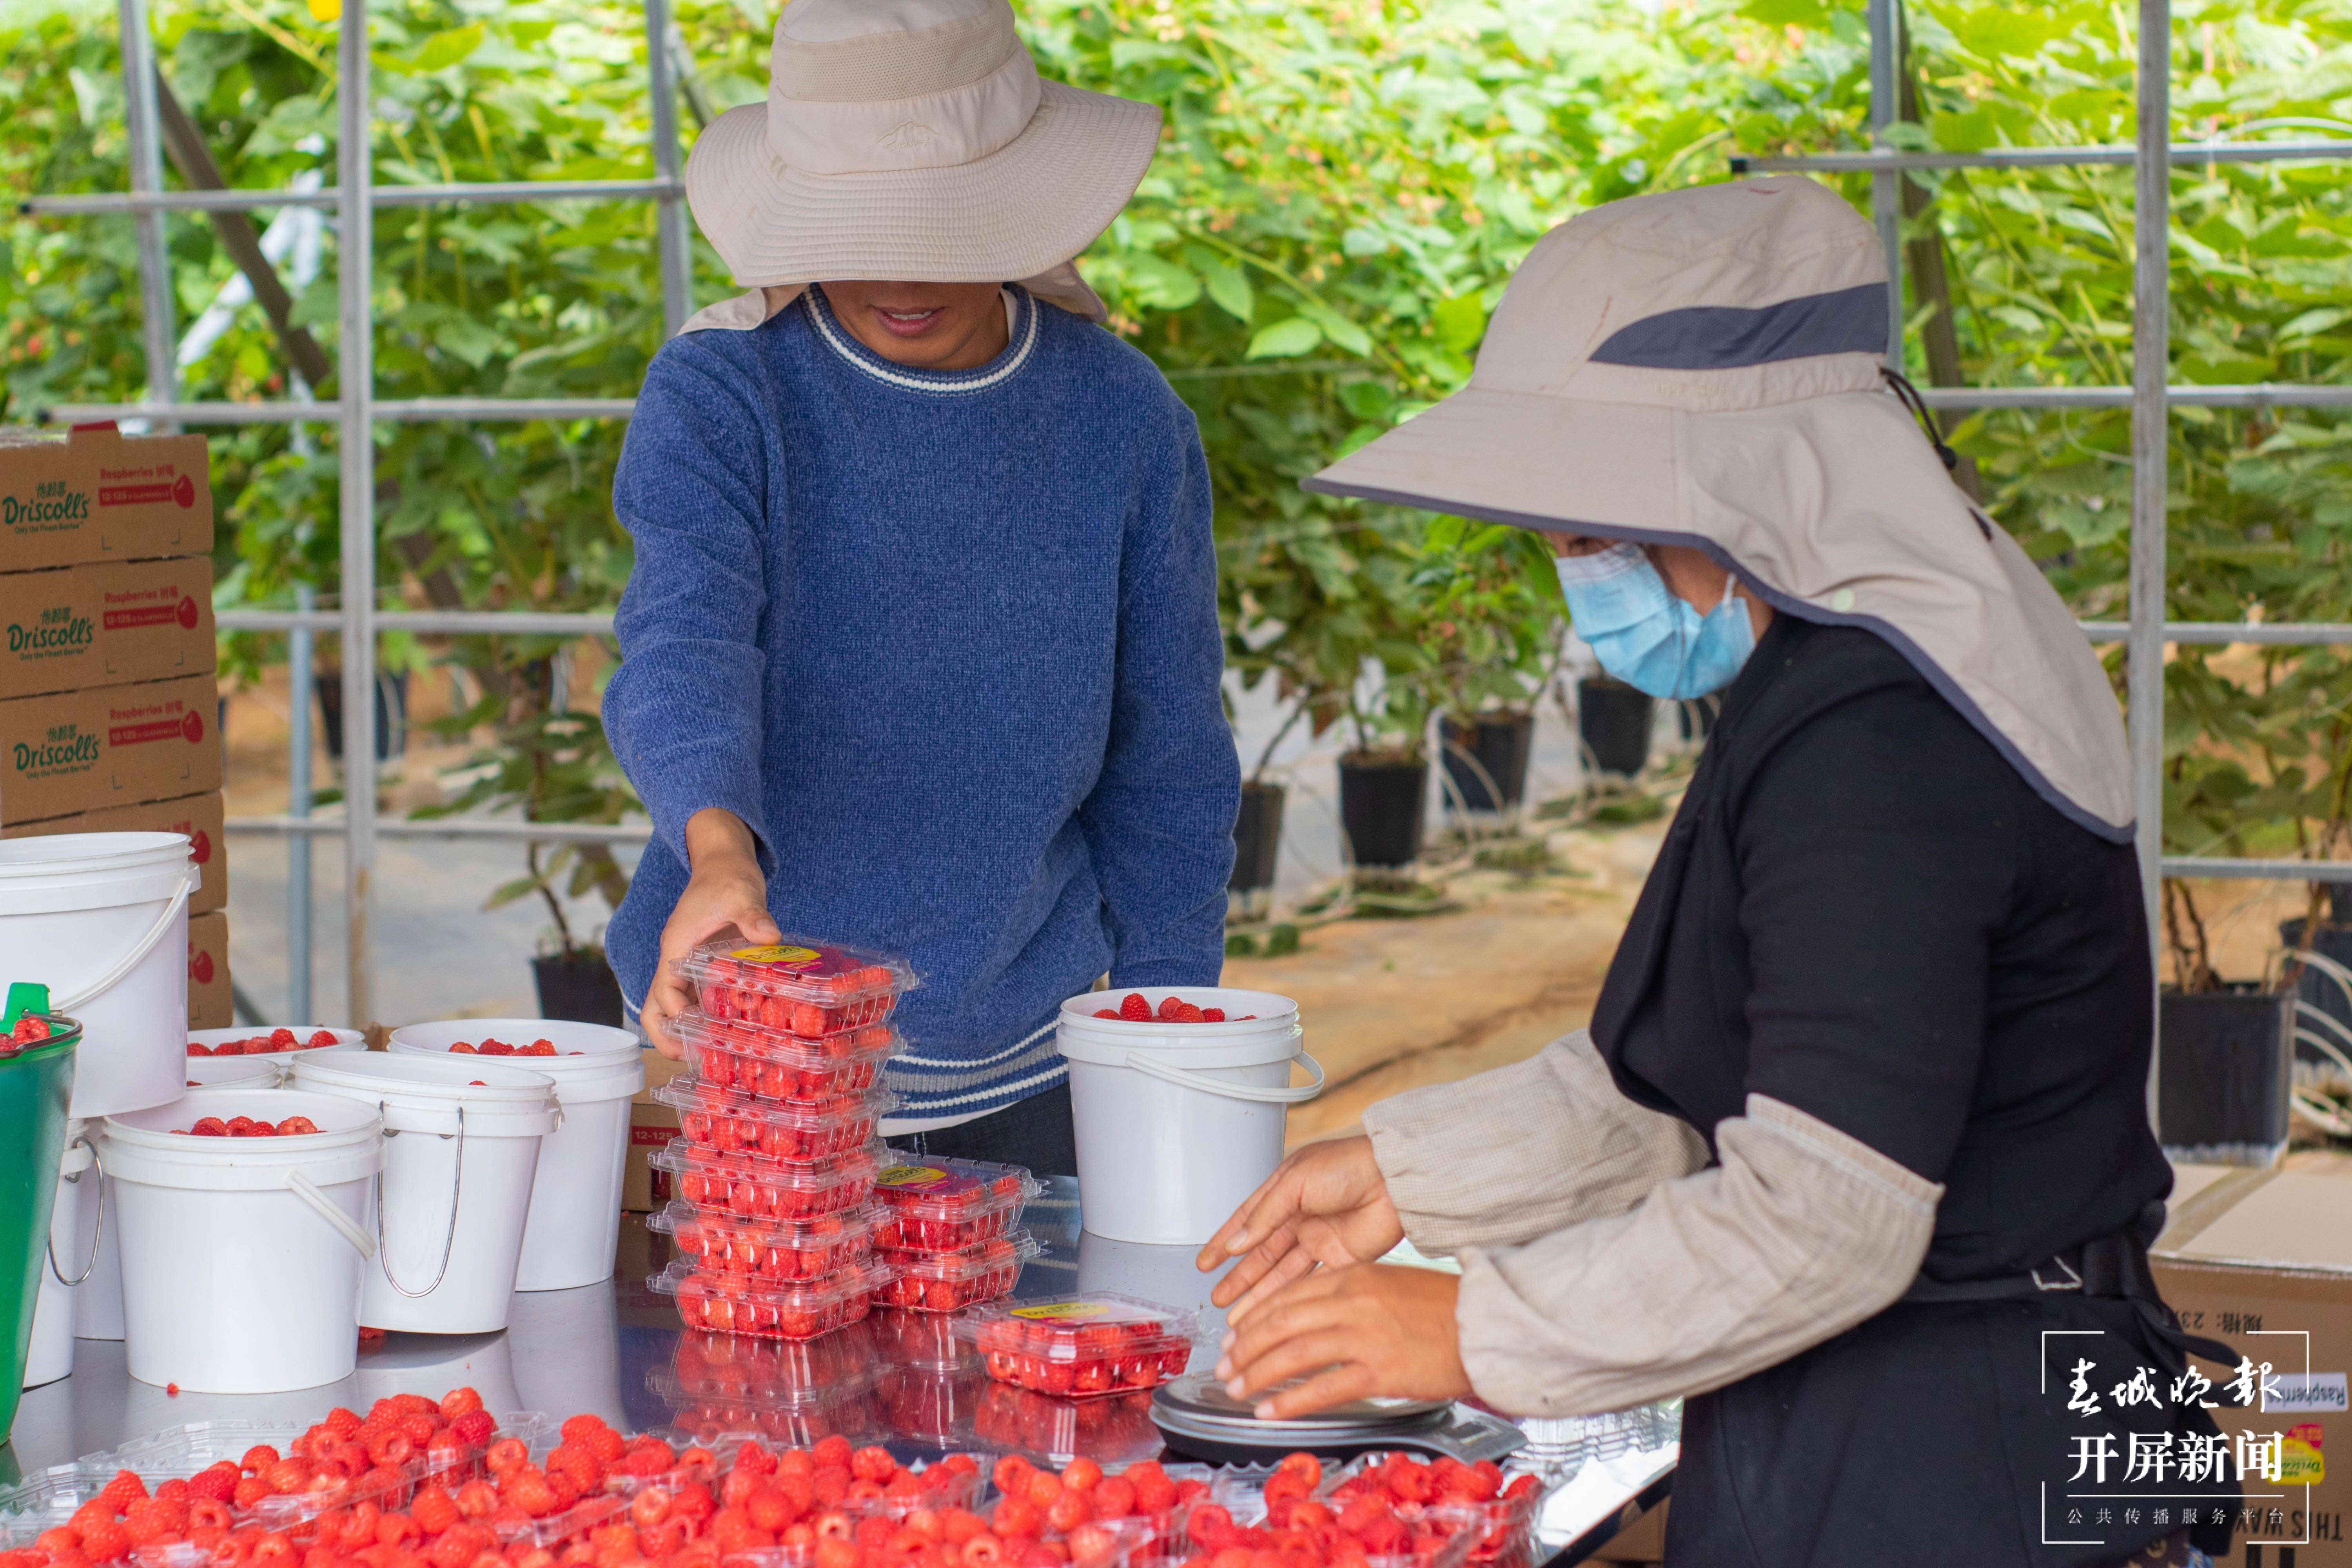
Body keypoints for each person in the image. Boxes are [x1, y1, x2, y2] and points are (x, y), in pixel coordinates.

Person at [1197, 178, 2237, 1568]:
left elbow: (1827, 1213)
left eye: (1592, 527)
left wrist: (1465, 1331)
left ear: (1748, 483)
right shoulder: (1892, 651)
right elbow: (1705, 1078)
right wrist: (1412, 1178)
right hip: (1958, 1403)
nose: (1575, 565)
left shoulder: (1885, 741)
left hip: (1951, 1456)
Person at [603, 0, 1237, 1175]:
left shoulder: (1123, 417)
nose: (900, 274)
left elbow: (1171, 752)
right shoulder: (724, 392)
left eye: (943, 233)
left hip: (1033, 1069)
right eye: (861, 233)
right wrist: (718, 851)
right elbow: (684, 641)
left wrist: (1166, 1030)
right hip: (746, 1056)